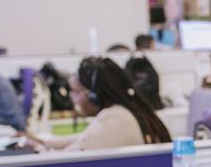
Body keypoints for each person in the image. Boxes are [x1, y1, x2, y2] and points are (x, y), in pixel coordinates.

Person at [26, 57, 171, 151]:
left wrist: (38, 148)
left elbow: (72, 155)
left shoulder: (115, 120)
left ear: (93, 95)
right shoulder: (122, 111)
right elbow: (82, 138)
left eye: (75, 92)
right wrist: (43, 141)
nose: (72, 98)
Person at [125, 34, 163, 110]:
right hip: (154, 104)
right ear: (150, 44)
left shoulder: (130, 61)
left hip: (135, 105)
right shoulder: (153, 58)